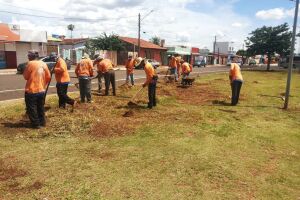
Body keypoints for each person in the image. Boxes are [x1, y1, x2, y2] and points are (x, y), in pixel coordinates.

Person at [23, 50, 51, 129]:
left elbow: (25, 76)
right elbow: (48, 77)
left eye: (29, 55)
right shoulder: (43, 63)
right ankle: (42, 122)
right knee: (40, 107)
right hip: (41, 90)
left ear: (32, 56)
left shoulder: (30, 64)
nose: (28, 57)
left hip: (31, 90)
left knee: (32, 108)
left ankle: (36, 124)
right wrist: (43, 84)